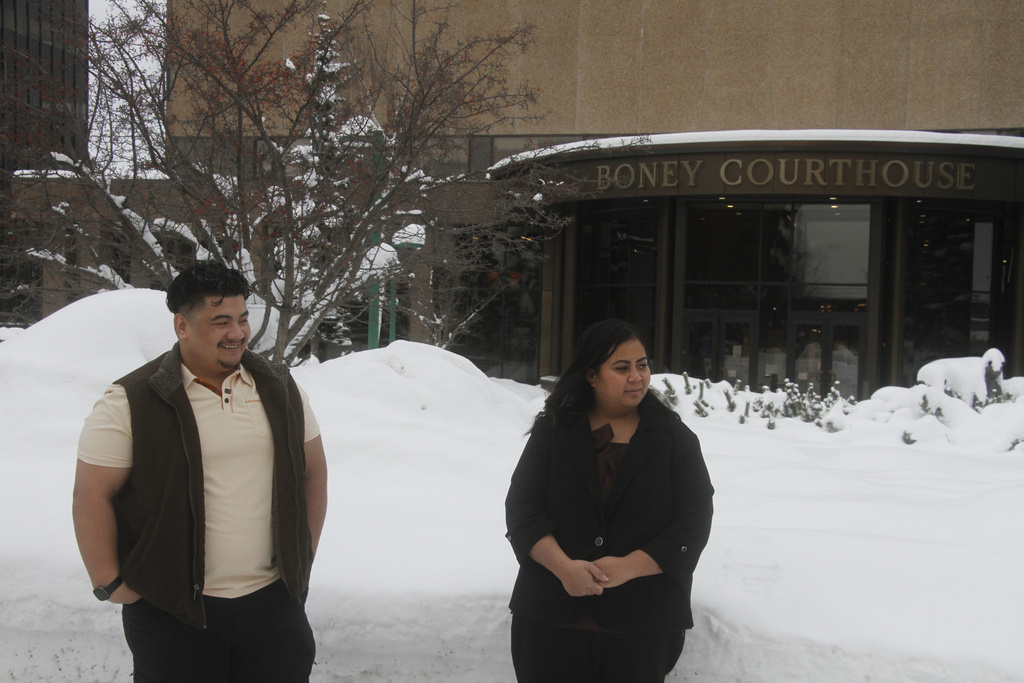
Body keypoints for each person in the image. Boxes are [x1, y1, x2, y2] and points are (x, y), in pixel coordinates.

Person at [72, 262, 329, 683]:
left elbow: (312, 473)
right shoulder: (131, 399)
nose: (237, 333)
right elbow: (92, 495)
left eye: (243, 318)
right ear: (182, 325)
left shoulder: (279, 386)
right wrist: (110, 583)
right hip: (173, 610)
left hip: (271, 606)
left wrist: (301, 560)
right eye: (220, 321)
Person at [505, 319, 714, 683]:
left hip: (642, 628)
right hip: (548, 622)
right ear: (591, 375)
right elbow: (522, 510)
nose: (637, 376)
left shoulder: (676, 439)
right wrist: (563, 568)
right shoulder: (553, 431)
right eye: (622, 367)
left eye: (643, 364)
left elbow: (693, 522)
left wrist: (630, 566)